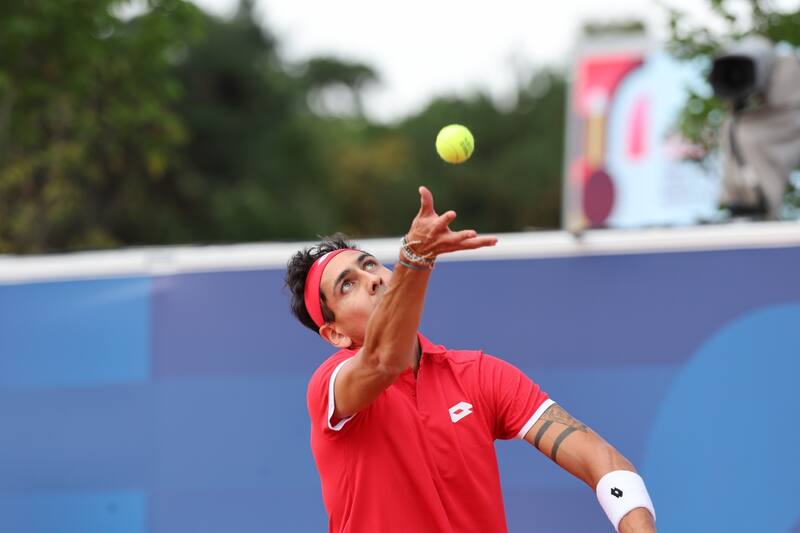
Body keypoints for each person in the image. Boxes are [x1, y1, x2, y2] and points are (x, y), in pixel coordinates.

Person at [285, 186, 656, 533]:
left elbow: (603, 462)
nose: (371, 279)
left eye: (369, 265)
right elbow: (385, 360)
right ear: (335, 334)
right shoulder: (331, 386)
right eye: (346, 285)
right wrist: (416, 258)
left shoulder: (479, 376)